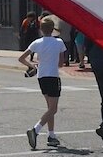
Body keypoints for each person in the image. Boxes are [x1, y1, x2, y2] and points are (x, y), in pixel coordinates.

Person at [18, 15, 68, 149]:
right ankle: (35, 130)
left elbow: (21, 58)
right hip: (53, 75)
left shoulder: (37, 43)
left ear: (41, 29)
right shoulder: (59, 42)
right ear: (53, 29)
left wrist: (32, 66)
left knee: (49, 108)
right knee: (53, 108)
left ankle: (51, 135)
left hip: (42, 76)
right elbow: (61, 64)